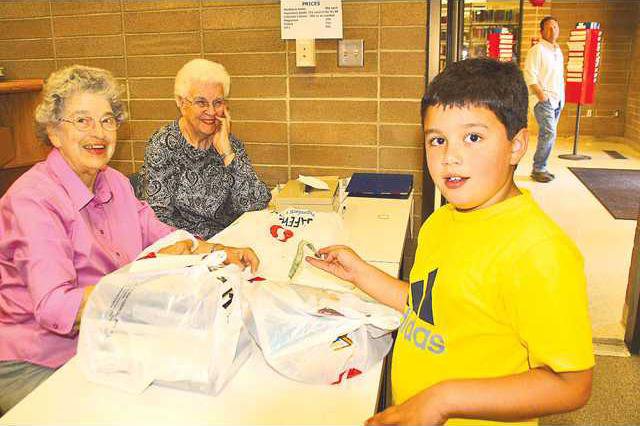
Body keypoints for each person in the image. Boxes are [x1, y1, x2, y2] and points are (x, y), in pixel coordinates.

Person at [307, 58, 594, 425]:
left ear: (516, 145)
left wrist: (442, 400)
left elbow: (572, 385)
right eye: (437, 140)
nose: (450, 157)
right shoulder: (441, 221)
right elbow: (430, 307)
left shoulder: (539, 252)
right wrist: (361, 273)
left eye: (472, 137)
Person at [0, 65, 259, 414]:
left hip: (105, 340)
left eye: (107, 120)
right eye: (82, 120)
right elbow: (55, 308)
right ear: (54, 132)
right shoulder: (33, 201)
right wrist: (145, 279)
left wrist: (221, 252)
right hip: (37, 361)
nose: (98, 132)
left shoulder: (114, 182)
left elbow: (163, 235)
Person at [140, 59, 271, 239]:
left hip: (232, 240)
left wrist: (227, 153)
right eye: (201, 102)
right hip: (188, 246)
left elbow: (257, 203)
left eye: (217, 102)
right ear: (181, 103)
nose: (211, 111)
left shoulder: (228, 142)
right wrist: (202, 247)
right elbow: (158, 219)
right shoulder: (164, 145)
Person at [524, 16, 564, 183]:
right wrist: (541, 95)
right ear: (541, 31)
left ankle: (542, 167)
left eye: (555, 27)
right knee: (549, 132)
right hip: (543, 99)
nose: (552, 30)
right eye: (548, 28)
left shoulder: (558, 51)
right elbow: (529, 75)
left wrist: (561, 96)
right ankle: (539, 168)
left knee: (548, 134)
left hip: (557, 98)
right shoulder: (537, 50)